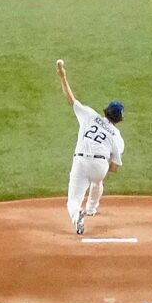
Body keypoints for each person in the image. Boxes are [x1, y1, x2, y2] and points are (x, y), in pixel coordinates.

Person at [53, 59, 127, 238]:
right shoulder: (117, 136)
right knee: (97, 181)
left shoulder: (90, 115)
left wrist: (63, 77)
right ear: (119, 118)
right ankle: (92, 208)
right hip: (99, 166)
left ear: (106, 111)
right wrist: (101, 166)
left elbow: (71, 100)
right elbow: (115, 168)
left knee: (72, 201)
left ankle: (77, 214)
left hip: (80, 160)